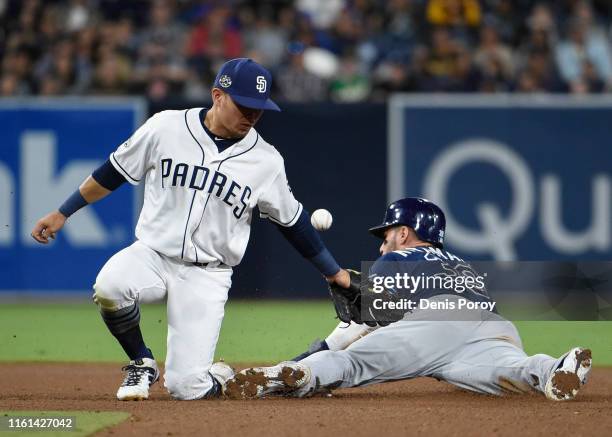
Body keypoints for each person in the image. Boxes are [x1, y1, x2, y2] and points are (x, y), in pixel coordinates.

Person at [30, 58, 349, 401]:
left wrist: (334, 273)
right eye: (244, 105)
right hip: (152, 254)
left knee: (186, 388)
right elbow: (114, 172)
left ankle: (217, 375)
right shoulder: (166, 127)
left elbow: (294, 223)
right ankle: (141, 360)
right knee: (110, 285)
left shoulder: (266, 161)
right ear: (217, 95)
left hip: (207, 274)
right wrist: (64, 212)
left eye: (259, 109)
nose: (252, 116)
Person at [225, 198, 592, 402]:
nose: (382, 243)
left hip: (436, 324)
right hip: (494, 327)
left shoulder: (399, 257)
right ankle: (552, 369)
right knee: (509, 371)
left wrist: (307, 355)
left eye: (386, 234)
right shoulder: (458, 262)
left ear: (404, 233)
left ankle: (293, 376)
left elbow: (365, 319)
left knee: (349, 364)